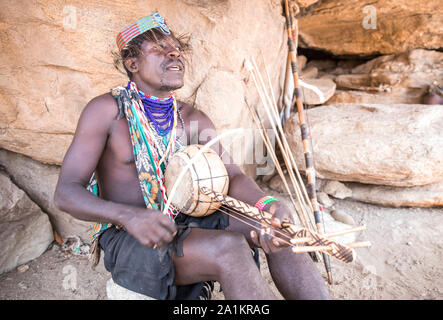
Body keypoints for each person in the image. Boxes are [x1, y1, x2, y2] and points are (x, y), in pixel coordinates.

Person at [54, 12, 330, 300]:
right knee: (230, 249)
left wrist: (268, 205)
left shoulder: (192, 118)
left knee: (281, 230)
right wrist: (129, 216)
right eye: (159, 48)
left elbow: (233, 176)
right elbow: (66, 192)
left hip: (191, 220)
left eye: (175, 48)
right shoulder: (107, 112)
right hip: (132, 235)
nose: (173, 53)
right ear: (131, 63)